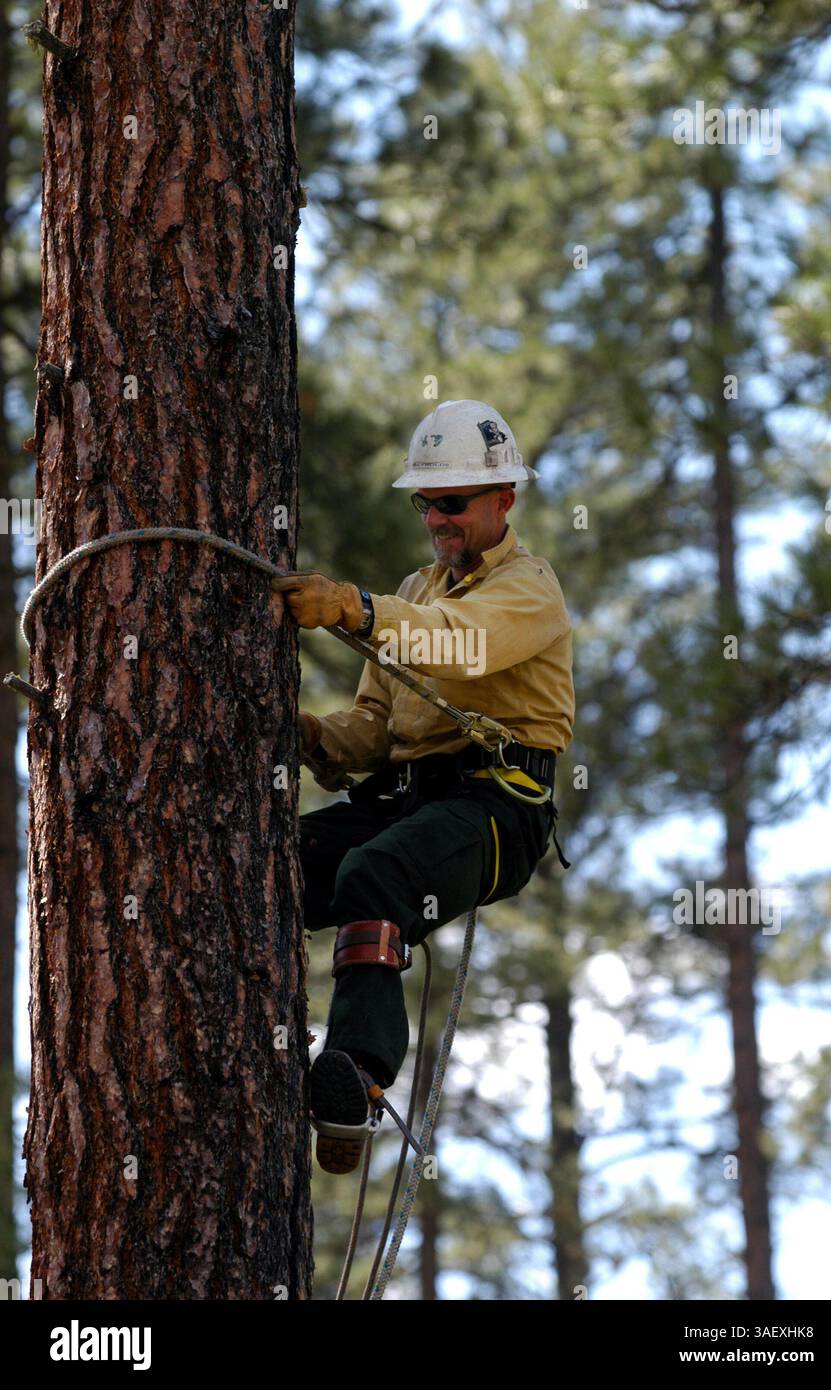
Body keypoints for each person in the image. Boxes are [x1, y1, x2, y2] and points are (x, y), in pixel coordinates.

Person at [272, 399, 575, 1175]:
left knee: (379, 872)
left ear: (504, 498)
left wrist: (359, 609)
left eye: (453, 502)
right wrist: (306, 737)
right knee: (273, 864)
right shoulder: (419, 587)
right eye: (427, 503)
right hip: (405, 797)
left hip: (497, 807)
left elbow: (463, 648)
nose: (437, 519)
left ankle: (358, 1078)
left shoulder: (529, 591)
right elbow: (375, 728)